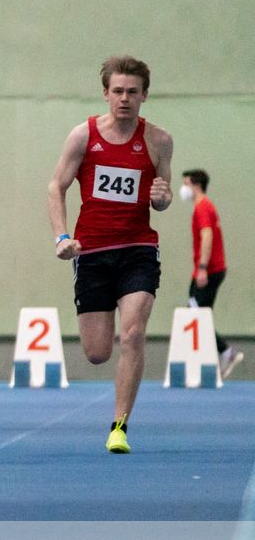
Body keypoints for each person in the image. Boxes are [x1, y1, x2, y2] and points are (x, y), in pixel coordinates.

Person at [45, 55, 174, 454]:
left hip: (138, 249)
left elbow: (162, 197)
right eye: (117, 91)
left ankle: (119, 426)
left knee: (133, 333)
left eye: (132, 92)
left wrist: (163, 196)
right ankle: (115, 407)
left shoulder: (158, 140)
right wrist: (61, 237)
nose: (124, 99)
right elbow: (55, 187)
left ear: (144, 96)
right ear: (105, 93)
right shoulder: (83, 136)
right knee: (98, 352)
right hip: (92, 252)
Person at [183, 169, 240, 377]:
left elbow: (207, 236)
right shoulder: (203, 206)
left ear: (195, 184)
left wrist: (202, 268)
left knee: (196, 314)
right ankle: (218, 354)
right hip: (209, 269)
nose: (184, 188)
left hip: (210, 270)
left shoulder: (202, 207)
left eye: (186, 183)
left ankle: (225, 351)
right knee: (195, 312)